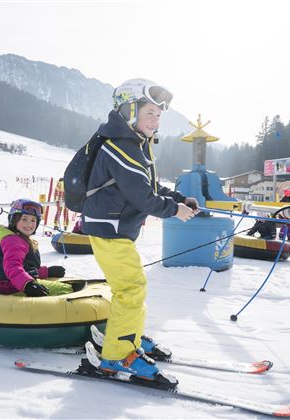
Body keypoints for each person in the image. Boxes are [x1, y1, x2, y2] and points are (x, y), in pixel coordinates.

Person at [80, 79, 199, 384]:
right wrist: (175, 211)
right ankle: (117, 355)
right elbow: (143, 198)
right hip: (110, 230)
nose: (155, 120)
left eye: (159, 115)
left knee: (132, 287)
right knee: (132, 288)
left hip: (115, 229)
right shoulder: (122, 146)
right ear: (128, 110)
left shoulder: (133, 145)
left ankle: (126, 338)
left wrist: (178, 199)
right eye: (149, 112)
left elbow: (150, 188)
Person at [0, 199, 70, 296]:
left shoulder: (20, 239)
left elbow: (27, 268)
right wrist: (27, 285)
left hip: (15, 283)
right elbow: (13, 267)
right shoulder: (12, 241)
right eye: (24, 219)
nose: (29, 224)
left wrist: (47, 272)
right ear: (14, 219)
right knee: (66, 290)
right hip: (11, 286)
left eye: (33, 220)